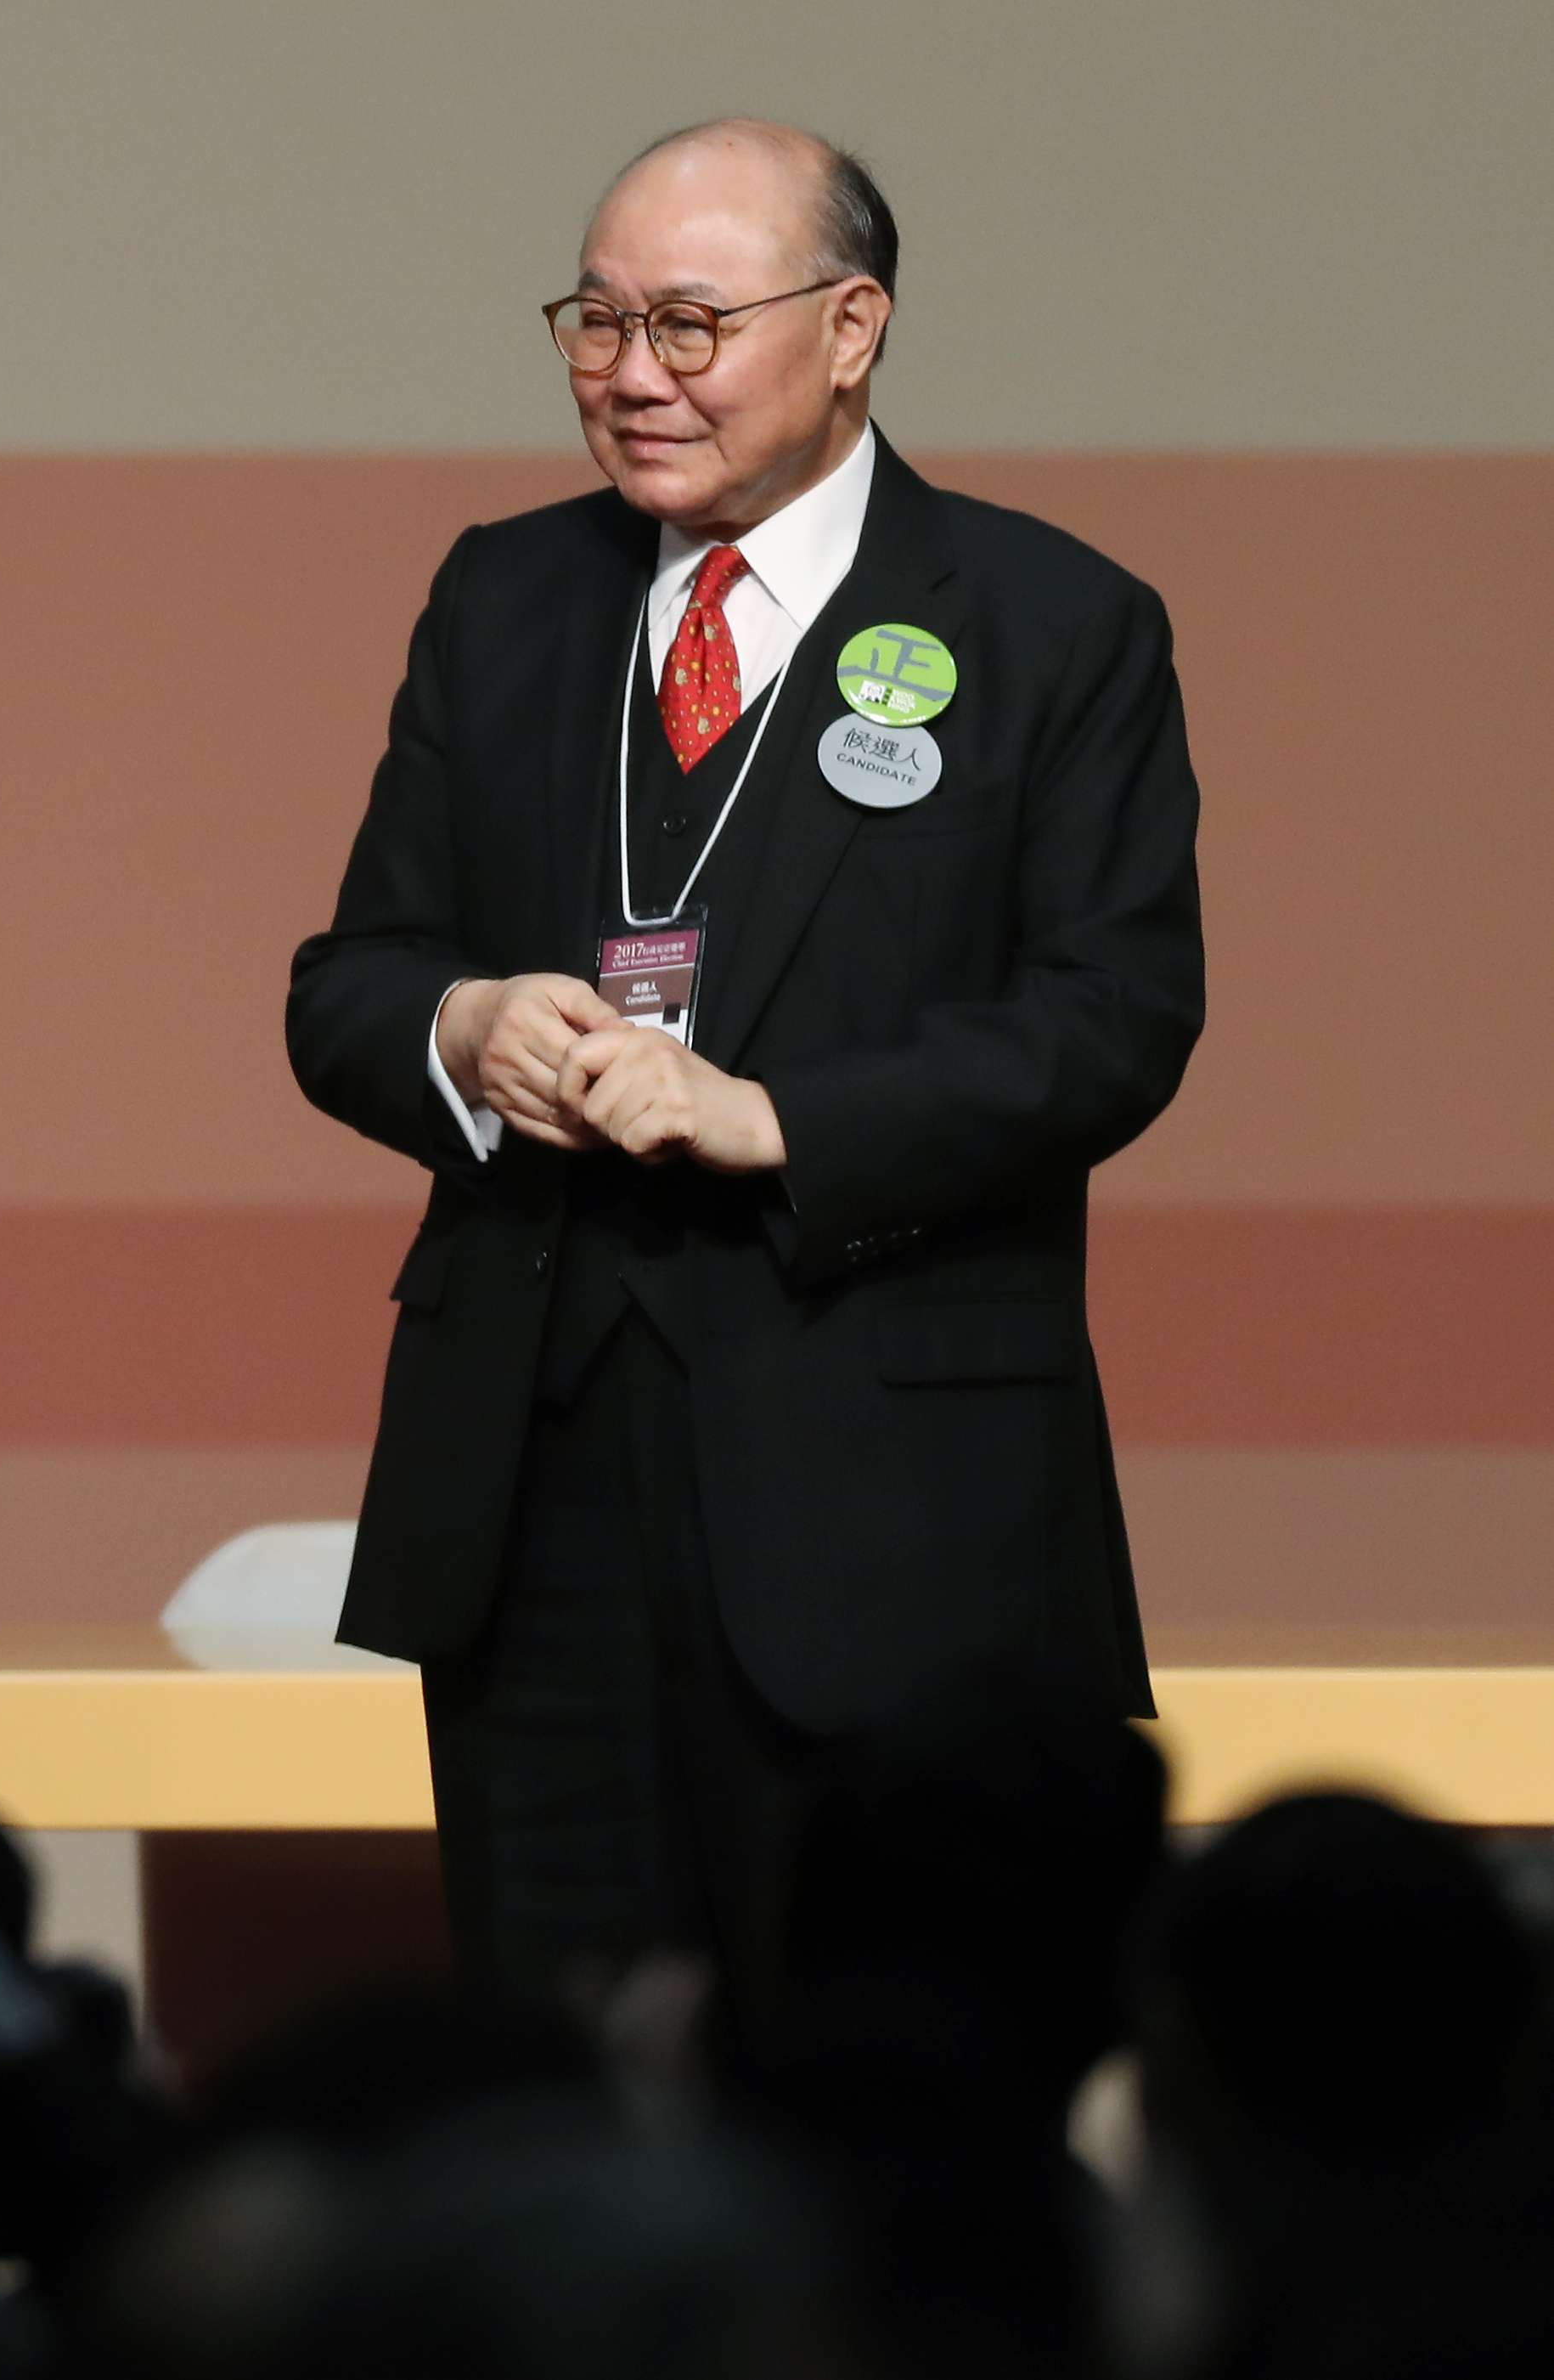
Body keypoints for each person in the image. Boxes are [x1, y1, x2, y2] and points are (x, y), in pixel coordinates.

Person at [284, 120, 1203, 1997]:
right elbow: (350, 977)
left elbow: (1111, 1018)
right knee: (559, 2105)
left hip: (890, 1501)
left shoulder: (1046, 625)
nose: (631, 376)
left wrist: (773, 1117)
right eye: (595, 323)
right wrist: (460, 1030)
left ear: (850, 327)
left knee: (882, 2111)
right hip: (530, 1503)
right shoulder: (504, 598)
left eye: (689, 325)